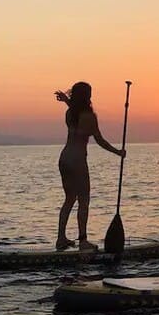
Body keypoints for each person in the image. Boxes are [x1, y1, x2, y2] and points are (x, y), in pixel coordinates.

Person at [53, 82, 125, 251]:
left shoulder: (70, 113)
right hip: (78, 161)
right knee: (84, 201)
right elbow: (99, 140)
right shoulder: (90, 117)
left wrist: (66, 101)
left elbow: (76, 110)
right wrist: (118, 152)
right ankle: (83, 241)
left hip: (64, 159)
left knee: (70, 199)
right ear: (87, 96)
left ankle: (61, 238)